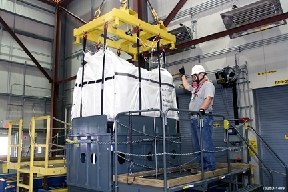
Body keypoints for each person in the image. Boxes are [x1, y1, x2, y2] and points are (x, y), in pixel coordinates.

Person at [179, 65, 216, 172]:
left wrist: (202, 109)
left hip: (203, 118)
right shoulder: (196, 88)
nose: (193, 79)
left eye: (194, 76)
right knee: (197, 145)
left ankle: (210, 166)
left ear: (201, 75)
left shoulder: (208, 85)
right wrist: (182, 76)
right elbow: (186, 87)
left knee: (205, 143)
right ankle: (203, 166)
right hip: (194, 119)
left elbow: (209, 98)